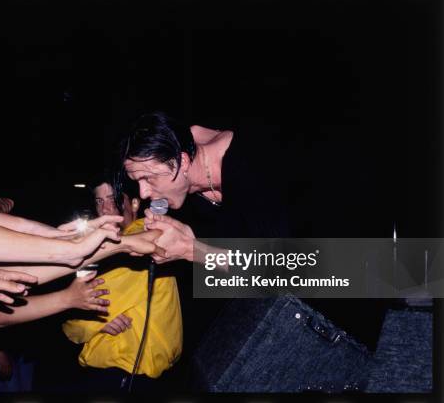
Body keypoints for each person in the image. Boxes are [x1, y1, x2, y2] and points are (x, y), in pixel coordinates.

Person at [119, 111, 387, 392]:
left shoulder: (251, 166)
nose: (144, 192)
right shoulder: (187, 159)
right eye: (137, 180)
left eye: (148, 178)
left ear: (183, 162)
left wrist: (191, 249)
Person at [62, 172, 183, 390]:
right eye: (99, 201)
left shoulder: (140, 242)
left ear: (134, 203)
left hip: (126, 376)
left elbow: (75, 325)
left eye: (113, 199)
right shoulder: (107, 252)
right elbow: (75, 312)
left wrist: (91, 320)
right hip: (118, 376)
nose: (105, 209)